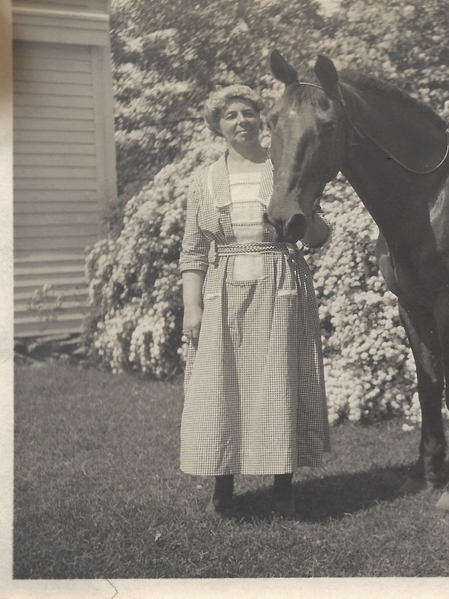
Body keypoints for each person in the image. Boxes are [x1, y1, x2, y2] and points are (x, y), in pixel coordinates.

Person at [179, 84, 331, 519]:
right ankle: (221, 488)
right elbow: (192, 251)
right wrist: (193, 308)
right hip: (222, 290)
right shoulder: (203, 181)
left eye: (248, 113)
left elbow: (319, 238)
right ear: (217, 126)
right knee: (219, 386)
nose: (241, 121)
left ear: (261, 119)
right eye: (231, 116)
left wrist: (307, 211)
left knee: (278, 382)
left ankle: (282, 488)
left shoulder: (285, 169)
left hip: (280, 285)